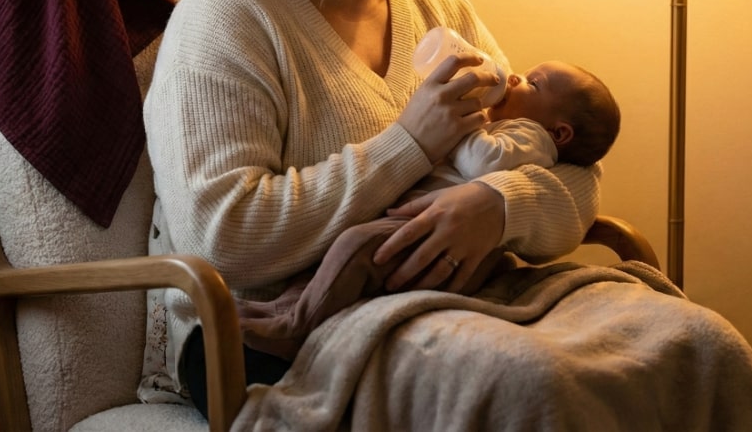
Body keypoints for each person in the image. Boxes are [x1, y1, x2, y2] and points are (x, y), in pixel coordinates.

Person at [141, 0, 752, 429]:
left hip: (464, 297)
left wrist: (498, 207)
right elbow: (223, 237)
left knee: (704, 347)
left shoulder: (443, 15)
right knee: (527, 383)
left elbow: (572, 178)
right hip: (269, 332)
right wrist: (408, 144)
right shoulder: (230, 15)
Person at [234, 60, 621, 360]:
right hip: (408, 225)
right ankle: (277, 313)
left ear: (560, 133)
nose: (515, 75)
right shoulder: (515, 123)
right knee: (333, 258)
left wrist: (496, 196)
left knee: (353, 245)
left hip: (426, 236)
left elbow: (491, 163)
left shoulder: (528, 134)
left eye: (533, 83)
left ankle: (295, 329)